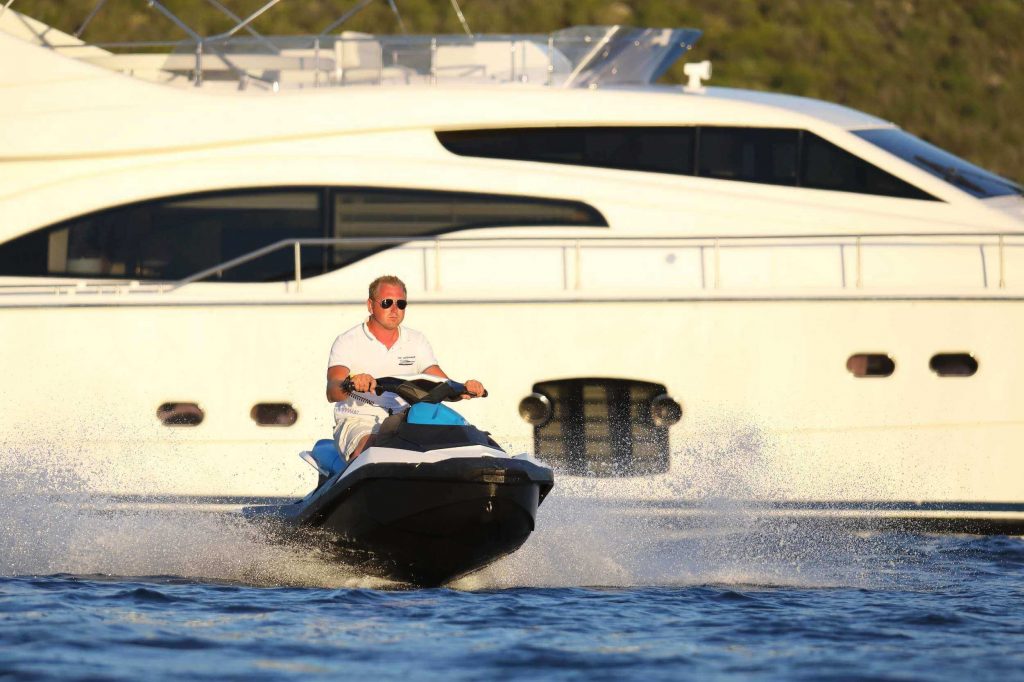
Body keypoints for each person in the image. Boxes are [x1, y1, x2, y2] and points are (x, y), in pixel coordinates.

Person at [326, 275, 486, 462]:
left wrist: (465, 388)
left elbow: (442, 384)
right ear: (371, 305)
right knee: (372, 449)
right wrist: (350, 384)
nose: (395, 309)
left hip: (406, 419)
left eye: (401, 304)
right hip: (360, 419)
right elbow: (332, 390)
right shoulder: (347, 341)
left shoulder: (417, 341)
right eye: (387, 303)